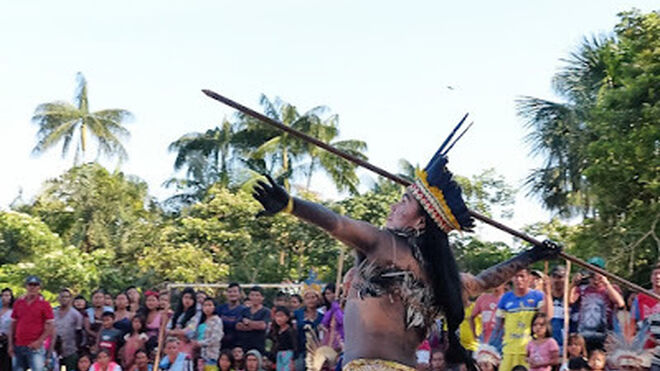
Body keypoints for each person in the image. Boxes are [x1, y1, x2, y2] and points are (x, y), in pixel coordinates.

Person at [252, 146, 561, 370]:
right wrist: (530, 254)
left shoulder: (383, 244)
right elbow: (485, 280)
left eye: (404, 201)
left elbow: (337, 223)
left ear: (421, 222)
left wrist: (292, 205)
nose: (394, 206)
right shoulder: (447, 281)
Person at [492, 268, 552, 371]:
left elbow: (547, 317)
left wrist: (547, 293)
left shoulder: (538, 296)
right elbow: (498, 325)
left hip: (530, 351)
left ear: (529, 278)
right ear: (511, 278)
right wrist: (491, 344)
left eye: (522, 276)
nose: (519, 279)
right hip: (509, 350)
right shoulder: (505, 298)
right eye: (516, 276)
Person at [570, 257, 625, 351]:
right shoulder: (582, 288)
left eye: (597, 271)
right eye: (591, 272)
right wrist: (574, 284)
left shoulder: (611, 288)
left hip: (605, 334)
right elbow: (570, 301)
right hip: (583, 334)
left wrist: (606, 283)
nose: (594, 275)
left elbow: (620, 303)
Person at [9, 275, 54, 371]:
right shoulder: (18, 303)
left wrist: (40, 341)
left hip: (35, 347)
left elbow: (50, 326)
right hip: (19, 345)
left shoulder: (44, 304)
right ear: (26, 286)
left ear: (39, 287)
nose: (32, 287)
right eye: (30, 284)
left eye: (35, 285)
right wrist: (10, 344)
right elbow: (13, 324)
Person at [53, 288, 84, 371]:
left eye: (67, 297)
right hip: (54, 350)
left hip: (71, 350)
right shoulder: (53, 313)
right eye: (62, 297)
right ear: (58, 298)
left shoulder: (76, 315)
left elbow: (79, 333)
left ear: (71, 299)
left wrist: (77, 349)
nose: (64, 299)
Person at [293, 285, 322, 365]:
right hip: (300, 351)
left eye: (313, 297)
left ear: (318, 299)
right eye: (307, 298)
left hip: (316, 352)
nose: (310, 300)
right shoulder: (297, 314)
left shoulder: (322, 316)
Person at [236, 286, 270, 354]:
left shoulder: (266, 311)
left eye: (257, 295)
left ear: (262, 297)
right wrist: (255, 325)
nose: (254, 297)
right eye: (252, 295)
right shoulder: (244, 310)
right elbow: (238, 326)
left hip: (259, 346)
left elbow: (263, 326)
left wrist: (248, 323)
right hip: (244, 346)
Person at [169, 288, 201, 356]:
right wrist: (174, 332)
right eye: (186, 297)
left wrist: (177, 332)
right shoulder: (177, 313)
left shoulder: (196, 314)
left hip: (187, 344)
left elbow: (190, 329)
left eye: (190, 298)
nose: (188, 300)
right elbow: (167, 328)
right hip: (173, 342)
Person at [194, 298, 224, 371]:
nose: (207, 308)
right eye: (205, 305)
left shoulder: (217, 320)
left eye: (210, 305)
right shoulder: (200, 320)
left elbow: (216, 339)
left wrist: (199, 343)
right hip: (199, 355)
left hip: (211, 355)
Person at [217, 283, 245, 350]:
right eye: (230, 292)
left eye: (235, 291)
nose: (232, 294)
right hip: (221, 345)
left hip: (238, 346)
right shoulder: (219, 309)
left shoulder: (245, 310)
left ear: (240, 294)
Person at [269, 306, 296, 371]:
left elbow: (295, 346)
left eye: (281, 316)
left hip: (288, 355)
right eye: (277, 316)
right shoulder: (274, 330)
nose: (279, 319)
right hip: (278, 355)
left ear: (287, 318)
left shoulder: (291, 331)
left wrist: (293, 360)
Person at [0, 288, 14, 371]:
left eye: (7, 295)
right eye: (2, 295)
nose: (4, 298)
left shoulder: (13, 311)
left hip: (7, 341)